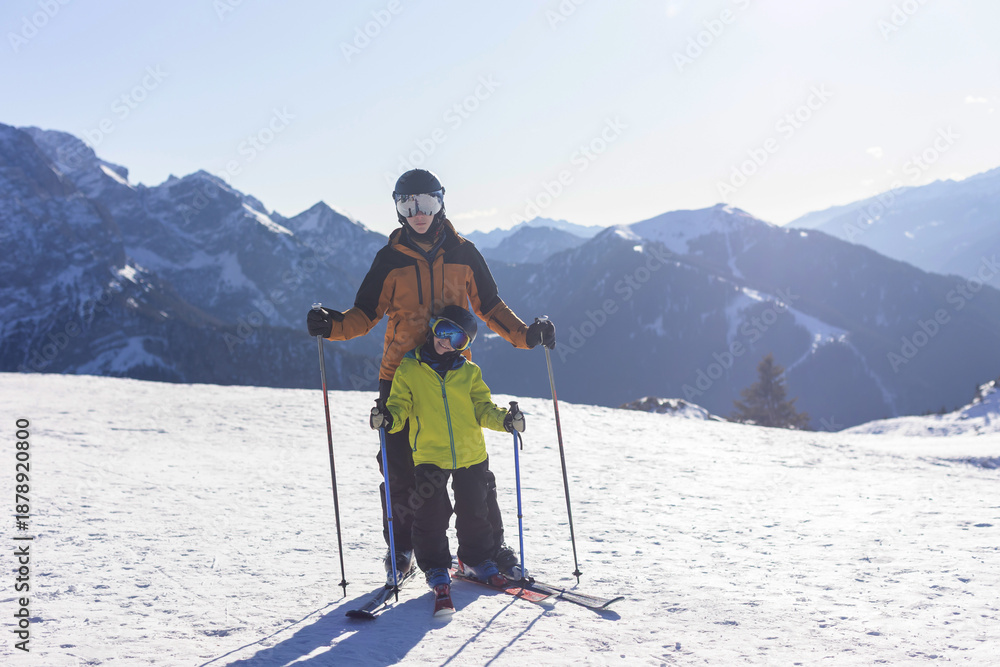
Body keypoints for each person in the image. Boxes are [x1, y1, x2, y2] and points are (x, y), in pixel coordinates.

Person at [306, 169, 555, 580]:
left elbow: (490, 306)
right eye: (408, 205)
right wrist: (331, 326)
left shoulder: (465, 254)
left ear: (441, 202)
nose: (418, 213)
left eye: (426, 202)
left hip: (455, 377)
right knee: (401, 473)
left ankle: (483, 551)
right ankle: (403, 549)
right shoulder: (389, 260)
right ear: (398, 209)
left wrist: (526, 336)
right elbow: (364, 314)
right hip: (401, 378)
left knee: (471, 468)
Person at [369, 306, 526, 612]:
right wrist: (387, 418)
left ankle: (475, 559)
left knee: (475, 510)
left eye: (458, 339)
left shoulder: (469, 372)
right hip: (430, 454)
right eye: (443, 331)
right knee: (431, 514)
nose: (447, 342)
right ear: (433, 327)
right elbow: (400, 406)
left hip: (471, 453)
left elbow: (482, 408)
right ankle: (436, 566)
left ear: (465, 345)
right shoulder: (409, 368)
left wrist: (505, 421)